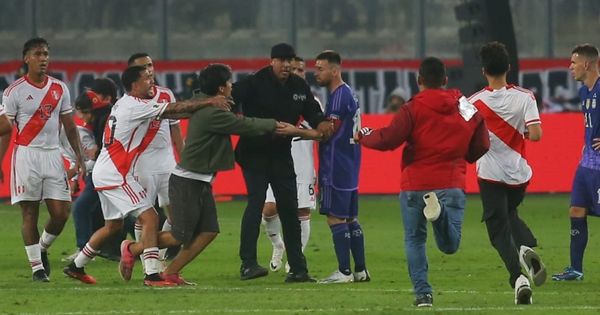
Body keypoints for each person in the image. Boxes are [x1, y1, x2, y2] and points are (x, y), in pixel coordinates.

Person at [62, 65, 231, 286]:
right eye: (147, 79)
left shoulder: (128, 104)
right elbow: (173, 108)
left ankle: (77, 266)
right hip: (116, 172)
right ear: (134, 85)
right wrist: (209, 102)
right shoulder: (134, 106)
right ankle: (152, 275)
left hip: (107, 169)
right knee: (150, 217)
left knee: (112, 226)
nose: (152, 82)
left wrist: (202, 109)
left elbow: (175, 112)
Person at [124, 63, 284, 285]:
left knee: (209, 231)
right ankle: (132, 248)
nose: (231, 87)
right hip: (188, 182)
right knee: (179, 235)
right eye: (229, 83)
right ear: (220, 88)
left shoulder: (209, 105)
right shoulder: (212, 112)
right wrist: (276, 124)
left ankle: (170, 273)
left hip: (201, 181)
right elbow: (246, 125)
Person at [356, 57, 489, 307]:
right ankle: (438, 217)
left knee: (414, 240)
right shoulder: (463, 104)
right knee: (450, 246)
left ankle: (423, 294)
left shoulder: (412, 108)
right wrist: (465, 157)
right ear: (446, 80)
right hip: (451, 182)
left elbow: (389, 139)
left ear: (419, 81)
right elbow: (482, 140)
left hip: (414, 186)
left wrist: (365, 136)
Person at [233, 43, 331, 282]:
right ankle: (248, 263)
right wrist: (236, 118)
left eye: (289, 61)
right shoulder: (255, 81)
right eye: (282, 60)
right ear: (272, 61)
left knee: (289, 209)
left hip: (281, 154)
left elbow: (312, 111)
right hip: (254, 152)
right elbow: (230, 97)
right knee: (256, 204)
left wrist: (322, 123)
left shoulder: (299, 86)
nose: (286, 65)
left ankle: (298, 268)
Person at [1, 37, 85, 282]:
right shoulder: (14, 91)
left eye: (46, 54)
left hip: (52, 155)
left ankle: (43, 247)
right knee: (29, 213)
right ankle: (37, 268)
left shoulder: (60, 88)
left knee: (61, 213)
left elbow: (70, 127)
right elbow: (6, 130)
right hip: (26, 155)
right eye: (38, 54)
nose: (44, 59)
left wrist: (79, 157)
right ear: (26, 58)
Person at [468, 41, 545, 304]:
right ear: (509, 68)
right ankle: (526, 247)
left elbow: (463, 136)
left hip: (490, 175)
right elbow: (535, 134)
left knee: (497, 229)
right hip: (518, 176)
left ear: (483, 71)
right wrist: (516, 133)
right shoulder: (525, 97)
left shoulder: (472, 103)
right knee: (509, 214)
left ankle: (518, 278)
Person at [311, 50, 368, 284]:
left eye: (320, 69)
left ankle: (344, 271)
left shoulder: (337, 97)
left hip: (335, 164)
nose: (316, 73)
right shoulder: (349, 94)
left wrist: (296, 132)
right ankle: (361, 271)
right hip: (351, 162)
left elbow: (327, 132)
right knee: (350, 218)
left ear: (335, 70)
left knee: (335, 218)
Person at [261, 56, 320, 272]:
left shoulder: (312, 101)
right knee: (268, 209)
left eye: (301, 70)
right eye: (293, 69)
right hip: (275, 161)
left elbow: (321, 133)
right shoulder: (271, 98)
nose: (297, 73)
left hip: (302, 164)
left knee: (301, 211)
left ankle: (297, 258)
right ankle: (279, 246)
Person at [128, 53, 184, 261]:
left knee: (178, 215)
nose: (149, 70)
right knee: (145, 215)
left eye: (150, 65)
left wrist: (185, 162)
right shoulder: (128, 103)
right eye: (143, 67)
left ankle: (155, 254)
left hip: (167, 162)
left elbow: (175, 131)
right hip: (141, 163)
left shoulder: (166, 94)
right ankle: (145, 260)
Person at [552, 44, 600, 282]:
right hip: (586, 164)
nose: (570, 67)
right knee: (576, 210)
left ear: (587, 64)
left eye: (573, 62)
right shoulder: (584, 93)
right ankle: (576, 269)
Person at [61, 78, 117, 262]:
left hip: (107, 172)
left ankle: (84, 249)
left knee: (81, 208)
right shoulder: (103, 118)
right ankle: (155, 240)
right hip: (111, 171)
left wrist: (89, 162)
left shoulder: (103, 120)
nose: (82, 119)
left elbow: (105, 150)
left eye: (83, 114)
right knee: (123, 214)